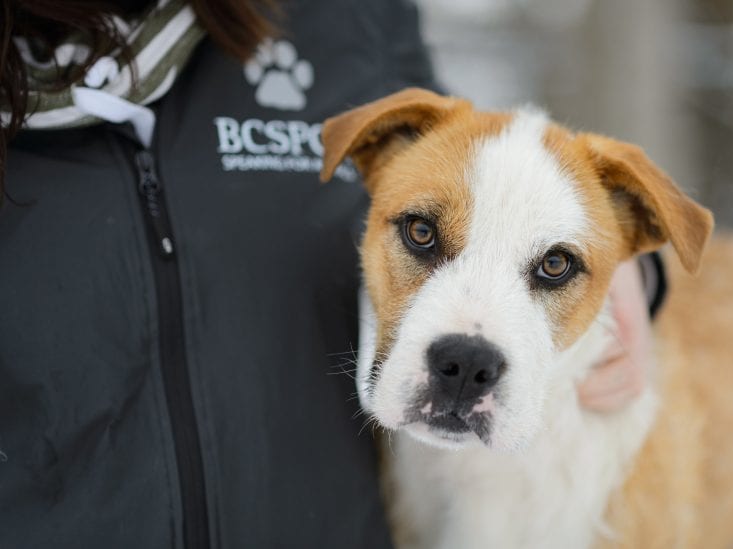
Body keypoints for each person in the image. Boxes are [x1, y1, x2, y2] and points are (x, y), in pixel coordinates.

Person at [0, 0, 661, 547]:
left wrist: (611, 261)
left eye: (552, 266)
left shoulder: (348, 17)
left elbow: (481, 159)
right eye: (423, 237)